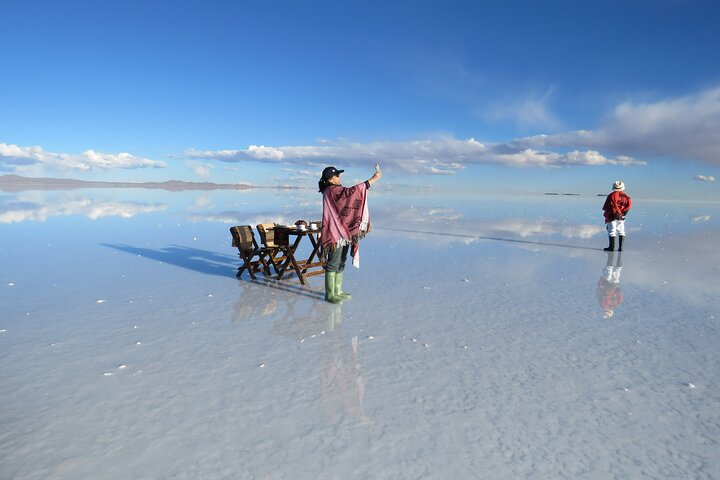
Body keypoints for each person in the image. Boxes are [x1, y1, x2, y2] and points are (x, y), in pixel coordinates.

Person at [318, 165, 382, 303]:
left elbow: (348, 196)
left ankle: (338, 291)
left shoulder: (335, 190)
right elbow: (350, 193)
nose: (339, 177)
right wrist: (372, 180)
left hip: (345, 233)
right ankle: (330, 294)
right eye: (337, 175)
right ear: (330, 179)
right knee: (333, 262)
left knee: (341, 261)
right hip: (335, 234)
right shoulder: (330, 191)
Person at [602, 180, 632, 251]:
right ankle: (620, 248)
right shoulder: (626, 197)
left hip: (612, 216)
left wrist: (615, 213)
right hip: (621, 216)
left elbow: (608, 206)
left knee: (612, 231)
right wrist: (622, 214)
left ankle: (611, 247)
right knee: (621, 230)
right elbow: (628, 206)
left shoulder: (611, 195)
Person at [596, 251, 623, 319]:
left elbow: (620, 295)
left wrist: (616, 288)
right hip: (607, 284)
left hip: (614, 285)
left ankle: (620, 254)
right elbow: (600, 293)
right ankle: (611, 254)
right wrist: (600, 286)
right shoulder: (603, 304)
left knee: (617, 270)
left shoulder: (617, 303)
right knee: (609, 269)